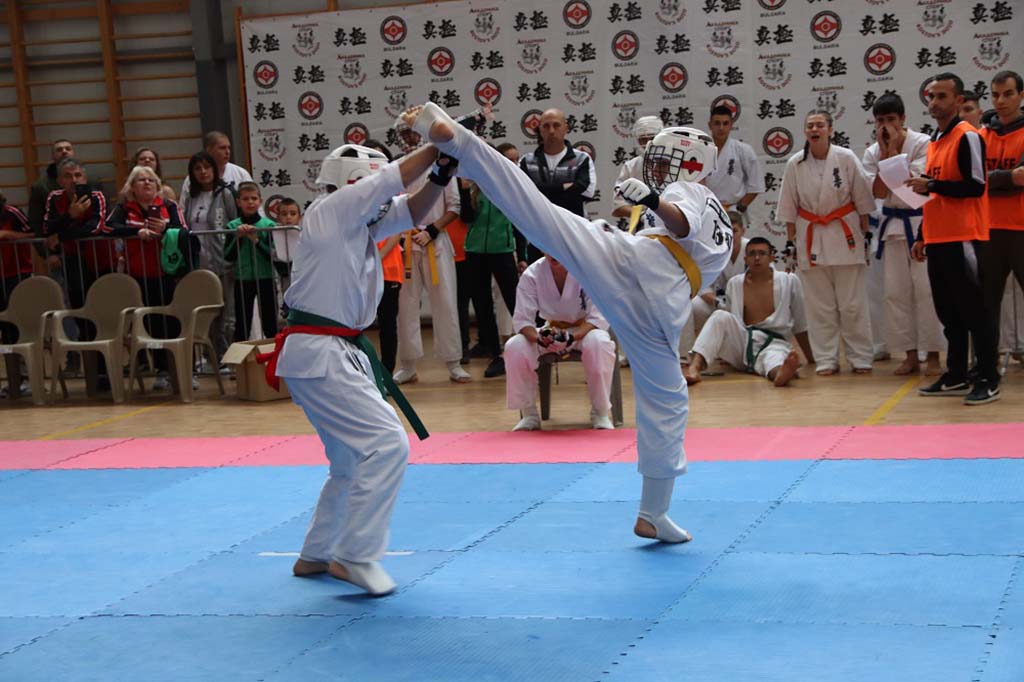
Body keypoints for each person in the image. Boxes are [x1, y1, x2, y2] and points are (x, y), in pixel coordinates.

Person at [410, 103, 731, 544]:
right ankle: (653, 512)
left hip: (636, 268)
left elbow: (677, 223)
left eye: (664, 161)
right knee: (668, 403)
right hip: (660, 306)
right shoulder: (717, 215)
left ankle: (462, 142)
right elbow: (680, 231)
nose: (657, 169)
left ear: (692, 163)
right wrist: (650, 206)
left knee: (540, 216)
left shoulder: (690, 191)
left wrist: (653, 201)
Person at [260, 139, 456, 596]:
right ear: (354, 183)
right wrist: (441, 143)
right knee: (386, 445)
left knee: (349, 460)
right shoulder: (332, 209)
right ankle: (355, 555)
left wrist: (442, 173)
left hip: (327, 352)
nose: (384, 201)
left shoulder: (358, 222)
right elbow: (395, 179)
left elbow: (413, 208)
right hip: (322, 351)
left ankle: (317, 552)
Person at [908, 72, 997, 405]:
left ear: (959, 101)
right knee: (949, 314)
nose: (934, 102)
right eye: (931, 96)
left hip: (964, 236)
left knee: (976, 312)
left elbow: (975, 186)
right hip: (938, 236)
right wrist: (922, 234)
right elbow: (934, 193)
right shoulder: (935, 139)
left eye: (942, 96)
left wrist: (931, 185)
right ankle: (957, 373)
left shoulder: (967, 136)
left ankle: (988, 377)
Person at [777, 110, 876, 375]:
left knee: (852, 304)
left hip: (845, 236)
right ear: (805, 132)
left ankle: (860, 357)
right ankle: (826, 359)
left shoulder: (845, 157)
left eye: (820, 125)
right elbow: (788, 208)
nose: (814, 129)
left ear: (830, 130)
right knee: (820, 306)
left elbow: (863, 201)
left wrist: (866, 235)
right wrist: (790, 243)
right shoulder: (795, 163)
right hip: (811, 237)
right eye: (810, 126)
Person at [861, 93, 944, 376]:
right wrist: (887, 155)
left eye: (891, 119)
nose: (885, 126)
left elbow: (912, 189)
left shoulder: (923, 143)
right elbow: (878, 192)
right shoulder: (872, 152)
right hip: (893, 227)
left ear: (903, 119)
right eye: (880, 121)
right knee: (896, 293)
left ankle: (932, 354)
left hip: (921, 223)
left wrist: (896, 151)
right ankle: (909, 355)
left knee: (926, 291)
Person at [391, 107, 470, 385]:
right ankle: (408, 364)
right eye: (405, 134)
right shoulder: (397, 168)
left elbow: (454, 207)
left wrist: (433, 230)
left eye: (413, 132)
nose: (410, 138)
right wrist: (405, 232)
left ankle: (454, 362)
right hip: (406, 242)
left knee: (445, 301)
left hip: (436, 240)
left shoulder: (441, 161)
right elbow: (392, 207)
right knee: (406, 305)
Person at [505, 254, 616, 431]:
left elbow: (597, 318)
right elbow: (522, 320)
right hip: (551, 330)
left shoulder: (588, 269)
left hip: (584, 331)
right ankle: (529, 414)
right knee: (515, 346)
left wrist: (572, 337)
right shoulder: (532, 274)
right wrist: (541, 339)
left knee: (599, 342)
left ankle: (600, 412)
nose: (553, 254)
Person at [685, 237, 812, 387]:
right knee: (720, 316)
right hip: (743, 342)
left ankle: (780, 374)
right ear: (745, 259)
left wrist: (810, 358)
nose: (757, 258)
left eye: (762, 253)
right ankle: (694, 368)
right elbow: (731, 323)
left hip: (774, 343)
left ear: (771, 257)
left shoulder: (789, 281)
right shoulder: (735, 283)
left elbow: (800, 323)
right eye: (752, 254)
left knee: (773, 359)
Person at [106, 165, 189, 391]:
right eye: (141, 180)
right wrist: (136, 232)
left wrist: (165, 227)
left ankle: (182, 370)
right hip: (138, 276)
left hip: (167, 273)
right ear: (132, 187)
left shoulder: (169, 205)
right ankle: (162, 369)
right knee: (150, 324)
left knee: (173, 322)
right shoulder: (124, 208)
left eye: (151, 180)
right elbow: (108, 228)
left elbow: (183, 229)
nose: (147, 183)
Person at [462, 142, 523, 378]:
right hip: (475, 251)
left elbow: (520, 223)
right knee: (482, 304)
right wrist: (465, 191)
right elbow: (466, 217)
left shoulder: (509, 184)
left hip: (502, 250)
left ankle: (531, 347)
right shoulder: (473, 183)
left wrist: (523, 255)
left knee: (515, 300)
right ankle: (496, 354)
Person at [979, 70, 1024, 381]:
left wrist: (992, 181)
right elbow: (974, 180)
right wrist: (1009, 178)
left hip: (1021, 229)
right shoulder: (982, 136)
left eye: (1008, 94)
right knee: (986, 303)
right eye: (995, 95)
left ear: (1021, 95)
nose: (1000, 101)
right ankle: (986, 364)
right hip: (988, 229)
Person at [519, 108, 597, 263]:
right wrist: (564, 187)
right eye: (546, 126)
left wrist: (542, 191)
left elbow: (586, 191)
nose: (551, 131)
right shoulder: (526, 161)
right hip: (538, 235)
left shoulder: (582, 159)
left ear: (566, 128)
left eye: (556, 125)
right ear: (540, 129)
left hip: (573, 233)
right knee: (538, 277)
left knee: (575, 277)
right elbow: (524, 195)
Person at [43, 158, 111, 309]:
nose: (74, 180)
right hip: (72, 260)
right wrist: (70, 215)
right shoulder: (54, 197)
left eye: (78, 175)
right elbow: (48, 228)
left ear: (84, 178)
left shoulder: (97, 196)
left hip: (100, 258)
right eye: (68, 176)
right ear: (60, 181)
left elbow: (94, 228)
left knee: (104, 305)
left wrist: (61, 236)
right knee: (78, 304)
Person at [225, 182, 278, 342]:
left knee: (270, 322)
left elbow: (273, 255)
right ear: (238, 202)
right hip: (242, 279)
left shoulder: (268, 225)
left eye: (254, 198)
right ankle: (242, 357)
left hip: (266, 278)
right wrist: (239, 238)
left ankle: (274, 354)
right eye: (245, 199)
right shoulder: (232, 226)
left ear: (260, 201)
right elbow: (228, 256)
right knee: (242, 324)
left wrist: (256, 241)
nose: (250, 202)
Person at [703, 105, 765, 214]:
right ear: (710, 125)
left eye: (725, 123)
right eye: (717, 123)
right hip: (706, 209)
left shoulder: (744, 150)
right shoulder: (701, 151)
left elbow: (756, 185)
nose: (721, 128)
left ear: (731, 125)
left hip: (733, 210)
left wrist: (740, 207)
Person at [612, 115, 664, 218]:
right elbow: (618, 207)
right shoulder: (630, 167)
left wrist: (664, 214)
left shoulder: (676, 163)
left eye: (652, 138)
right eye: (643, 139)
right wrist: (645, 217)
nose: (648, 143)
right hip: (642, 224)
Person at [0, 192, 33, 344]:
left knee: (17, 314)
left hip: (17, 271)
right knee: (3, 319)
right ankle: (9, 353)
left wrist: (7, 234)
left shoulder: (12, 212)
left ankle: (21, 351)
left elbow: (32, 234)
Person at [180, 131, 252, 196]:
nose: (227, 152)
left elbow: (253, 202)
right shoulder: (192, 179)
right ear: (208, 150)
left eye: (229, 148)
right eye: (222, 148)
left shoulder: (241, 174)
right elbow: (184, 205)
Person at [29, 139, 74, 239]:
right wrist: (44, 248)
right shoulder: (40, 186)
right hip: (54, 242)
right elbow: (36, 221)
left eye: (68, 149)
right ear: (53, 156)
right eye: (59, 150)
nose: (64, 151)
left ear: (73, 153)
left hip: (87, 241)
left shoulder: (91, 181)